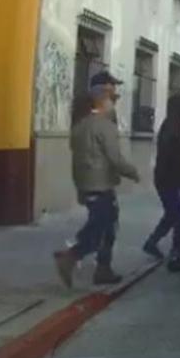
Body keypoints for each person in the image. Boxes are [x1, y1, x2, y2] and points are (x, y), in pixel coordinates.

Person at [54, 85, 140, 287]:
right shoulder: (104, 125)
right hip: (100, 184)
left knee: (105, 225)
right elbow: (115, 157)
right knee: (101, 226)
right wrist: (132, 172)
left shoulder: (80, 124)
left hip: (86, 183)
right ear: (102, 102)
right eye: (112, 99)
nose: (114, 103)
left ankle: (102, 268)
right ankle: (72, 255)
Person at [143, 93, 180, 272]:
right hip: (168, 181)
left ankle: (152, 242)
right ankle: (175, 256)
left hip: (170, 180)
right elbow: (173, 160)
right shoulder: (171, 131)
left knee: (172, 215)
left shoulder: (176, 128)